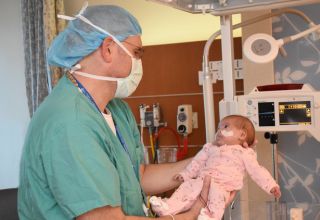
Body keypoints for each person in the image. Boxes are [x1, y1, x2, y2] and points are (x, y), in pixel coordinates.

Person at [17, 3, 230, 220]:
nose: (139, 61)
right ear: (108, 48)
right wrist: (191, 214)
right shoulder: (70, 123)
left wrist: (207, 159)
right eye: (137, 52)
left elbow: (138, 176)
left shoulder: (116, 109)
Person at [149, 115, 281, 220]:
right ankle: (168, 207)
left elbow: (257, 170)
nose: (219, 131)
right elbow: (197, 162)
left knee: (217, 199)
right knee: (185, 189)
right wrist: (185, 174)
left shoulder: (245, 153)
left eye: (225, 127)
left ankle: (210, 216)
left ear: (242, 135)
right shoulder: (210, 148)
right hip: (201, 180)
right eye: (218, 128)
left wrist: (271, 185)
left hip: (222, 185)